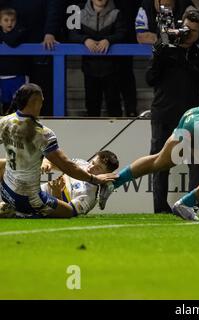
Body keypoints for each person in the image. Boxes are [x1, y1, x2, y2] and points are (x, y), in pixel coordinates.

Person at [0, 83, 116, 218]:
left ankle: (13, 209)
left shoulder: (5, 121)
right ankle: (23, 213)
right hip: (27, 197)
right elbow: (67, 166)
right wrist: (93, 179)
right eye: (42, 101)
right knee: (68, 212)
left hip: (5, 190)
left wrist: (45, 162)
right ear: (36, 102)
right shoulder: (42, 133)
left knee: (4, 163)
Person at [145, 9, 199, 214]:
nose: (188, 33)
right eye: (185, 29)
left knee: (196, 162)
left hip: (192, 116)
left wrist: (181, 58)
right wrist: (159, 55)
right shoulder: (164, 50)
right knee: (160, 162)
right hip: (163, 112)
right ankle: (159, 208)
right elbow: (150, 79)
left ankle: (195, 205)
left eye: (193, 31)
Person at [0, 150, 119, 218]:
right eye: (92, 162)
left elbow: (68, 213)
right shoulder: (81, 164)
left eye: (97, 168)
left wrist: (56, 195)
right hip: (29, 190)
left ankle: (15, 211)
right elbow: (53, 161)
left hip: (40, 206)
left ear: (106, 175)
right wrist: (47, 164)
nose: (90, 167)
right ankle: (12, 208)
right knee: (5, 163)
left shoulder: (89, 197)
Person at [2, 0, 66, 116]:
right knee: (13, 101)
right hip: (14, 50)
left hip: (42, 45)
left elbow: (54, 7)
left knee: (42, 93)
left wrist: (50, 32)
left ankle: (43, 127)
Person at [69, 0, 127, 117]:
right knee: (92, 107)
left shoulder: (116, 13)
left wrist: (109, 40)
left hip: (112, 70)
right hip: (90, 69)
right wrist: (85, 39)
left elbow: (123, 33)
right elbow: (72, 34)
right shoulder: (80, 13)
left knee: (114, 106)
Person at [0, 7, 28, 115]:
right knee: (5, 105)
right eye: (6, 20)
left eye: (12, 20)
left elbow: (12, 41)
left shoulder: (20, 32)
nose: (9, 23)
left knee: (19, 105)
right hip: (2, 77)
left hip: (17, 76)